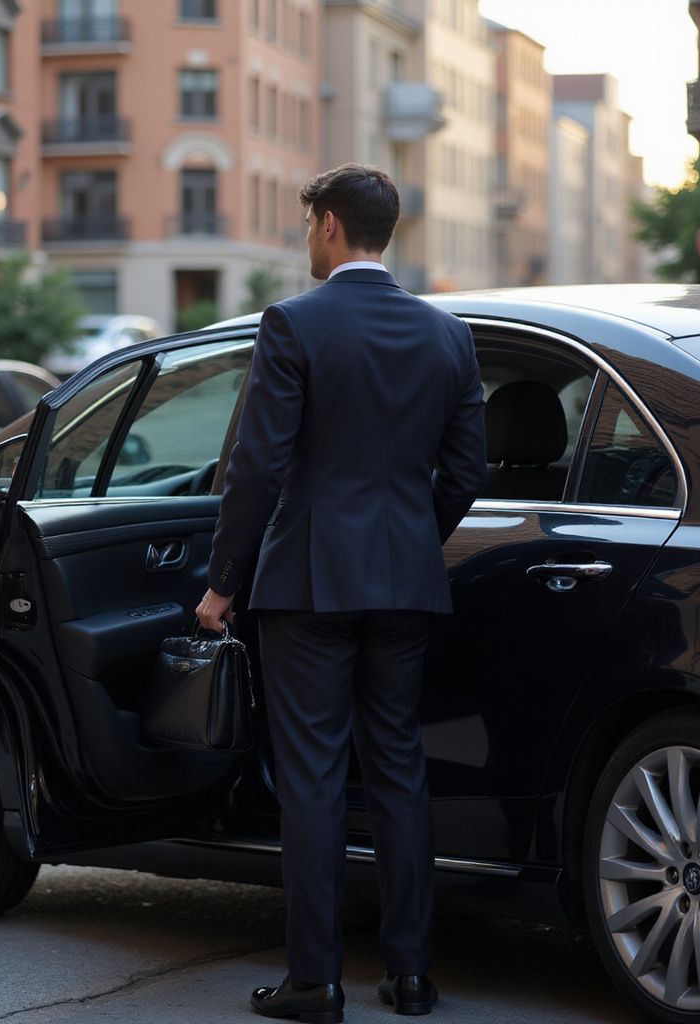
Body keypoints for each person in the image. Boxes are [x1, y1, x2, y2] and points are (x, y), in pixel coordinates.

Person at [196, 163, 486, 1022]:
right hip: (404, 582)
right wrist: (407, 545)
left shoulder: (294, 322)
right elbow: (466, 472)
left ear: (326, 224)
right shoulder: (449, 335)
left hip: (309, 582)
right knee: (398, 770)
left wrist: (221, 583)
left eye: (305, 225)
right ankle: (410, 977)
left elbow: (256, 468)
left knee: (315, 779)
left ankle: (315, 983)